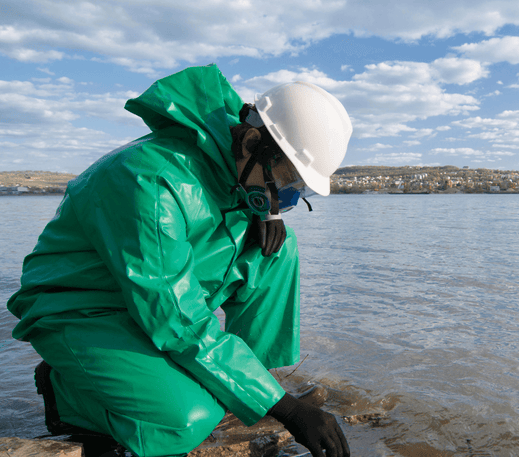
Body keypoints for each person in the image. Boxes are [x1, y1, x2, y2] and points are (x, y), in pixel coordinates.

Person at [6, 64, 352, 457]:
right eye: (287, 178)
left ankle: (251, 384)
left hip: (145, 298)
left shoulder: (235, 170)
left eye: (298, 187)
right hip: (83, 306)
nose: (288, 197)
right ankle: (65, 392)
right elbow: (175, 316)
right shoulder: (150, 182)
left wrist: (263, 211)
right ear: (252, 141)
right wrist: (288, 410)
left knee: (277, 251)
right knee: (187, 420)